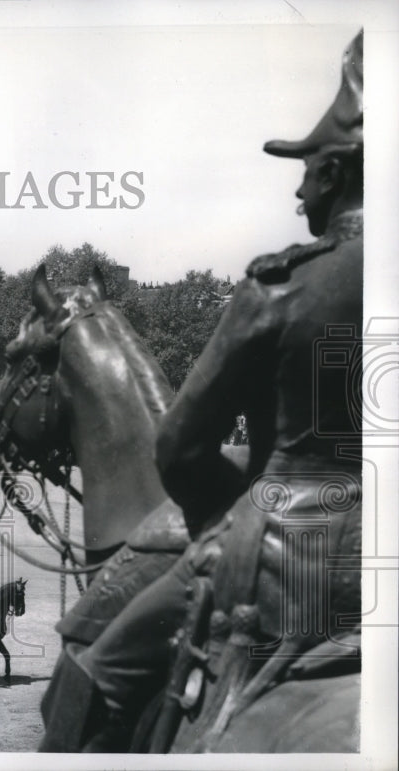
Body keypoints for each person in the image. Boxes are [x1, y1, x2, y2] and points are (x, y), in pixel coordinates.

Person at [39, 31, 364, 752]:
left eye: (307, 168)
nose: (298, 185)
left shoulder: (284, 286)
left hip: (285, 559)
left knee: (89, 681)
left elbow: (180, 450)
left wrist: (248, 506)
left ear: (339, 171)